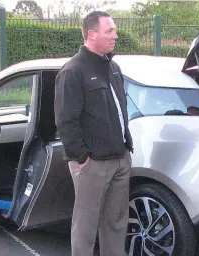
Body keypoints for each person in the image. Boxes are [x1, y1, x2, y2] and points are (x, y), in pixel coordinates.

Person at [54, 11, 133, 256]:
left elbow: (120, 109)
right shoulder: (73, 71)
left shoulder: (114, 68)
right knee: (85, 227)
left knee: (116, 223)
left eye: (114, 30)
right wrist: (82, 158)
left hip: (120, 158)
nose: (115, 35)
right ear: (91, 34)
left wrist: (126, 149)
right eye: (109, 31)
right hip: (92, 164)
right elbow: (66, 121)